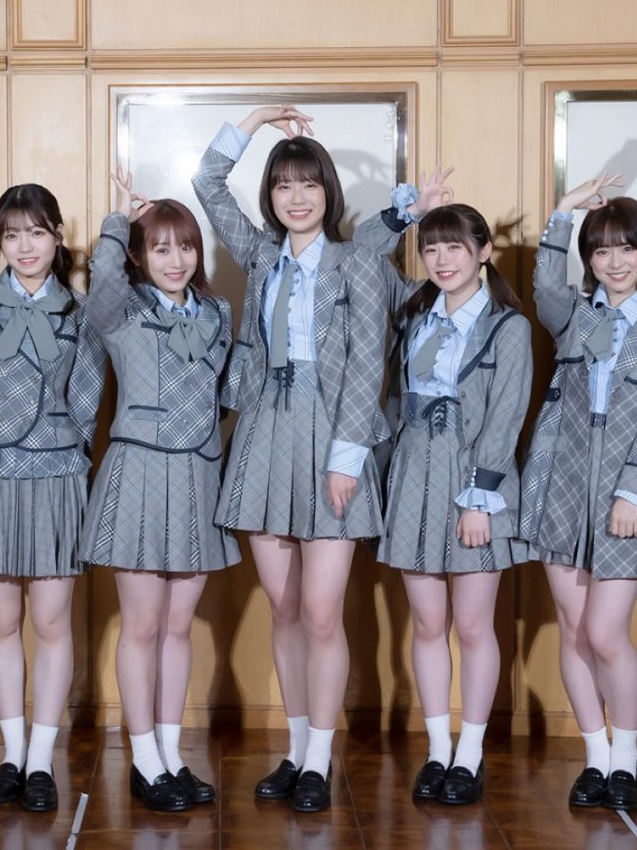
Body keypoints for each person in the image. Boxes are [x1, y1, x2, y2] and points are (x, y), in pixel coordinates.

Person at [191, 105, 389, 812]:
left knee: (321, 611)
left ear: (328, 192)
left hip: (333, 432)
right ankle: (297, 749)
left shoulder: (357, 261)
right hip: (266, 430)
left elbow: (368, 363)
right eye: (283, 185)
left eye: (308, 184)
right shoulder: (259, 253)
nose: (296, 197)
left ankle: (320, 760)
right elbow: (207, 182)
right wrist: (251, 122)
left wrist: (347, 457)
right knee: (283, 608)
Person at [521, 174, 637, 813]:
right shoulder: (575, 314)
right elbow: (544, 286)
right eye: (601, 251)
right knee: (573, 630)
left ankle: (627, 757)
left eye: (627, 248)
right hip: (560, 484)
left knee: (604, 632)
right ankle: (595, 758)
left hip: (628, 494)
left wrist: (635, 493)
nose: (615, 262)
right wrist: (563, 212)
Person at [0, 169, 106, 812]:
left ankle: (42, 760)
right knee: (1, 620)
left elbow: (88, 395)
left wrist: (73, 458)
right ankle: (10, 755)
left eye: (36, 233)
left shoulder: (80, 312)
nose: (24, 246)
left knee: (52, 621)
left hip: (55, 472)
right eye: (11, 235)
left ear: (58, 237)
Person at [355, 190, 532, 806]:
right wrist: (402, 214)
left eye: (454, 246)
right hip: (412, 471)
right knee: (428, 623)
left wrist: (480, 496)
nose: (441, 259)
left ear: (484, 252)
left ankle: (471, 755)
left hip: (474, 477)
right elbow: (361, 258)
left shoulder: (508, 326)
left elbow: (507, 414)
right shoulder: (414, 311)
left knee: (474, 624)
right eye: (430, 249)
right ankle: (436, 752)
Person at [81, 171, 241, 812]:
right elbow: (100, 285)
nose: (176, 260)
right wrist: (117, 223)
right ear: (140, 256)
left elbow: (225, 391)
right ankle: (143, 761)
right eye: (161, 248)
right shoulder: (121, 308)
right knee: (143, 625)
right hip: (140, 472)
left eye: (186, 246)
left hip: (199, 473)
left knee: (178, 627)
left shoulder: (218, 313)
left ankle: (172, 757)